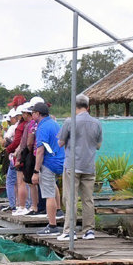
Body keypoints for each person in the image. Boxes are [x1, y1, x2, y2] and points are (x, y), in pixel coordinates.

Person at [58, 94, 103, 241]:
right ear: (88, 107)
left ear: (74, 106)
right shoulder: (96, 123)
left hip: (72, 165)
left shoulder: (70, 121)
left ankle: (69, 231)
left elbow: (60, 142)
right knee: (88, 200)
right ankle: (89, 231)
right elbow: (98, 145)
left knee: (70, 199)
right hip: (89, 165)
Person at [30, 102, 65, 236]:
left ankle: (52, 226)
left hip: (49, 163)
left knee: (48, 194)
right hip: (61, 161)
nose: (32, 114)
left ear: (38, 114)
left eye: (33, 112)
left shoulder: (42, 127)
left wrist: (36, 171)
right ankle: (59, 211)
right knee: (53, 187)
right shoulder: (55, 124)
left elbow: (40, 150)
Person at [13, 103, 40, 216]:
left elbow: (26, 143)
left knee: (23, 182)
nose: (22, 115)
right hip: (37, 154)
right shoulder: (46, 123)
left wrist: (19, 157)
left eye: (23, 113)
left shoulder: (30, 125)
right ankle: (30, 206)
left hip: (30, 155)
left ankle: (24, 206)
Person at [1, 109, 22, 212]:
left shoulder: (15, 127)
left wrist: (0, 133)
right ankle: (20, 204)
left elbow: (4, 142)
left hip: (15, 157)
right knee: (20, 182)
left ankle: (14, 205)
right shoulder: (28, 125)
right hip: (22, 156)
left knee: (11, 182)